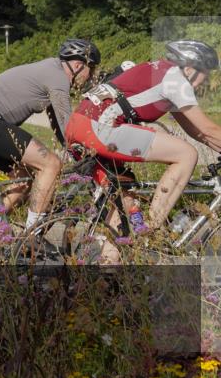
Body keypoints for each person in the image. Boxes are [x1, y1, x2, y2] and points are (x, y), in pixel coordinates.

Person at [66, 40, 221, 234]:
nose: (206, 81)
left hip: (81, 124)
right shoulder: (176, 80)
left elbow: (197, 130)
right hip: (100, 127)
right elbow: (208, 128)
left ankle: (126, 246)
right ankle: (153, 229)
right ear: (190, 68)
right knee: (187, 154)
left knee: (124, 207)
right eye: (206, 73)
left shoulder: (162, 71)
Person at [0, 39, 100, 230]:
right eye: (91, 69)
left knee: (24, 180)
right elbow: (69, 126)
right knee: (51, 164)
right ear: (78, 65)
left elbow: (57, 122)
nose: (91, 76)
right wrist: (93, 146)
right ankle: (32, 235)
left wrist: (71, 148)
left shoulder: (51, 70)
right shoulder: (59, 78)